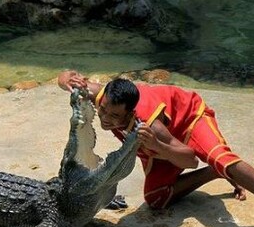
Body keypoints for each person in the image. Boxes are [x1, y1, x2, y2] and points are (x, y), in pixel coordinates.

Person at [57, 70, 254, 209]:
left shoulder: (151, 126)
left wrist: (157, 145)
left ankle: (221, 167)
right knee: (156, 199)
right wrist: (66, 80)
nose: (105, 118)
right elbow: (67, 75)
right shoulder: (101, 97)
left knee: (220, 157)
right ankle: (215, 172)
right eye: (103, 110)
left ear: (129, 114)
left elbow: (191, 160)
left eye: (115, 116)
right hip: (156, 143)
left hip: (189, 117)